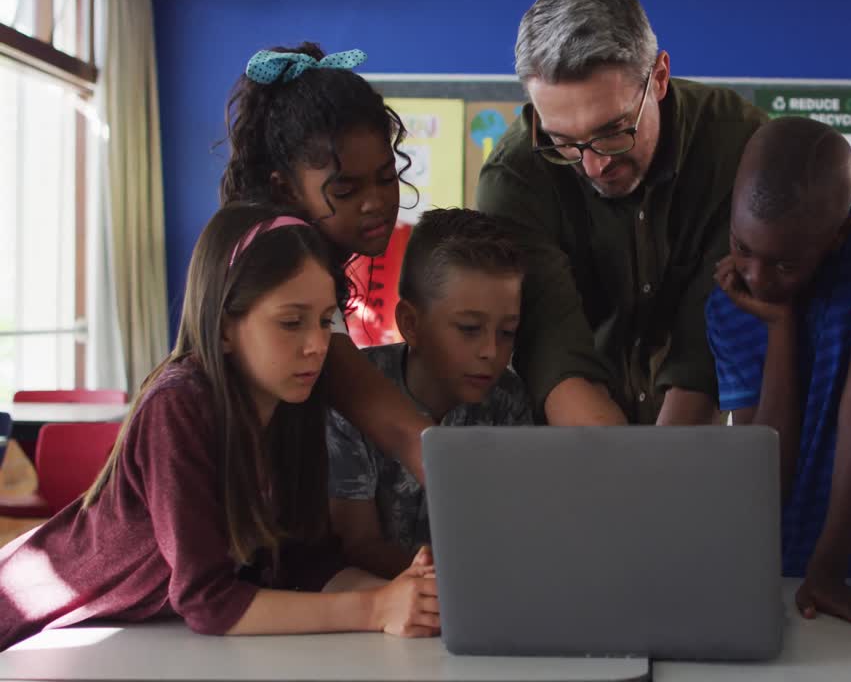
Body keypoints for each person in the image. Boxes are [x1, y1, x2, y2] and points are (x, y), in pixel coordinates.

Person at [0, 205, 440, 651]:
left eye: (325, 320)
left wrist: (414, 599)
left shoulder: (295, 403)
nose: (317, 345)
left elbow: (310, 564)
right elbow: (209, 602)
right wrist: (375, 608)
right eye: (291, 322)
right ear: (224, 327)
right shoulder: (179, 404)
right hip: (23, 624)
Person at [477, 0, 768, 424]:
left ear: (660, 77)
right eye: (562, 141)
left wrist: (659, 478)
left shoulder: (740, 146)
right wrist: (627, 481)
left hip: (699, 422)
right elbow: (554, 350)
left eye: (613, 132)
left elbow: (703, 348)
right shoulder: (515, 177)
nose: (593, 166)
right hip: (577, 435)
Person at [705, 116, 851, 626]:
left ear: (841, 235)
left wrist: (830, 567)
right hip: (783, 567)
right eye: (742, 247)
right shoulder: (727, 307)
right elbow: (767, 466)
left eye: (785, 265)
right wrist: (781, 326)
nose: (756, 279)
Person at [220, 42, 429, 480]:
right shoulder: (283, 263)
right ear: (285, 190)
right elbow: (394, 424)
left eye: (387, 178)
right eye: (346, 190)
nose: (375, 203)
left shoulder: (309, 252)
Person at [328, 209, 533, 579]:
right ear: (411, 324)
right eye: (469, 328)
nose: (491, 351)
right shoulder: (354, 392)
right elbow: (355, 545)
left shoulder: (509, 398)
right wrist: (459, 576)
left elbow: (513, 530)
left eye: (507, 332)